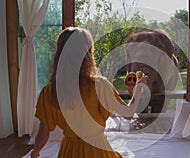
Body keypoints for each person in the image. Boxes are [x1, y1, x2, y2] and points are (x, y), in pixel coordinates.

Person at [30, 27, 146, 158]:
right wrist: (139, 87)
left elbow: (43, 131)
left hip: (69, 151)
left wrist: (35, 151)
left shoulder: (50, 91)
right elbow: (129, 114)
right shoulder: (99, 85)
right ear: (88, 53)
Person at [125, 28, 179, 113]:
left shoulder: (170, 63)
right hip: (157, 79)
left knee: (158, 110)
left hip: (162, 81)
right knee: (142, 110)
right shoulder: (134, 55)